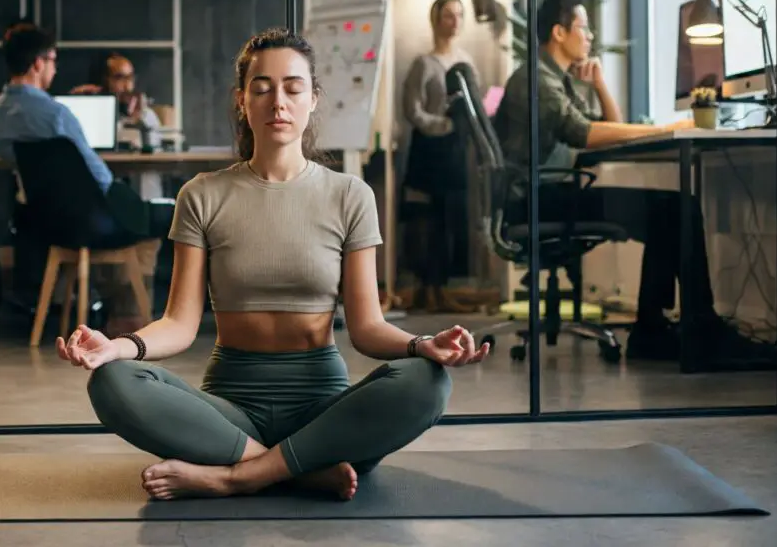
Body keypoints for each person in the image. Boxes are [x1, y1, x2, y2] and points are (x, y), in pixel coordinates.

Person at [55, 27, 491, 501]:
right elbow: (180, 324)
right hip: (229, 411)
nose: (277, 101)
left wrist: (424, 345)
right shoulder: (201, 195)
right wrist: (117, 347)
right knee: (112, 381)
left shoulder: (350, 196)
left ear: (313, 98)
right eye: (261, 88)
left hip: (325, 412)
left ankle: (237, 475)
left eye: (292, 87)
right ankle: (300, 468)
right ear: (242, 100)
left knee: (426, 382)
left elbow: (367, 329)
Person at [493, 0, 762, 360]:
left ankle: (655, 329)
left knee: (670, 208)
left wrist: (601, 84)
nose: (589, 37)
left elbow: (606, 130)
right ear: (559, 32)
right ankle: (692, 330)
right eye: (583, 28)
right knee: (674, 208)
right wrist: (662, 130)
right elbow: (584, 134)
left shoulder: (554, 79)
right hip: (538, 201)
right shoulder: (535, 80)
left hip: (548, 195)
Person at [0, 23, 155, 335]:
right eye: (52, 60)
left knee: (107, 219)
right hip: (92, 220)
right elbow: (98, 177)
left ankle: (95, 308)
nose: (55, 68)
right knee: (154, 220)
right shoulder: (55, 114)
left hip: (45, 222)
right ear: (38, 63)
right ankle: (131, 317)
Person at [400, 0, 488, 313]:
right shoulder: (423, 63)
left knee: (451, 219)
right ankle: (427, 289)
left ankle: (444, 288)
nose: (455, 22)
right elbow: (412, 110)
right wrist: (444, 125)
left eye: (459, 15)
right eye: (449, 15)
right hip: (429, 150)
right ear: (436, 20)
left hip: (456, 151)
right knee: (427, 221)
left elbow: (476, 103)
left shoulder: (466, 61)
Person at [71, 52, 163, 149]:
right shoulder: (94, 112)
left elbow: (155, 149)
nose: (127, 86)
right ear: (105, 80)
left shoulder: (146, 114)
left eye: (130, 78)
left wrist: (141, 118)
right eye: (119, 78)